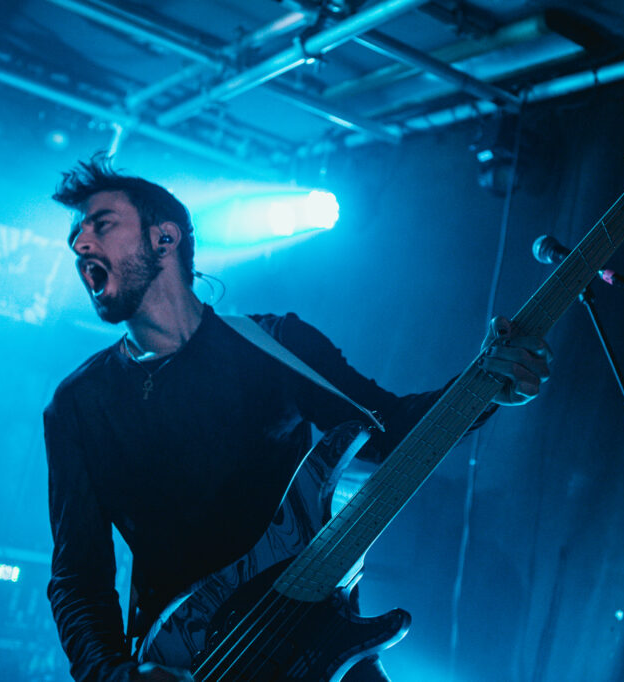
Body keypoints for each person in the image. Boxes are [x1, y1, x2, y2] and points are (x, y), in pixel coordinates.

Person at [44, 156, 552, 682]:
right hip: (190, 662)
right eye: (75, 235)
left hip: (315, 640)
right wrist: (113, 675)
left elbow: (390, 429)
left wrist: (486, 384)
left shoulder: (274, 345)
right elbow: (77, 576)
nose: (80, 244)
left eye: (101, 224)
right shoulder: (79, 404)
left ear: (164, 239)